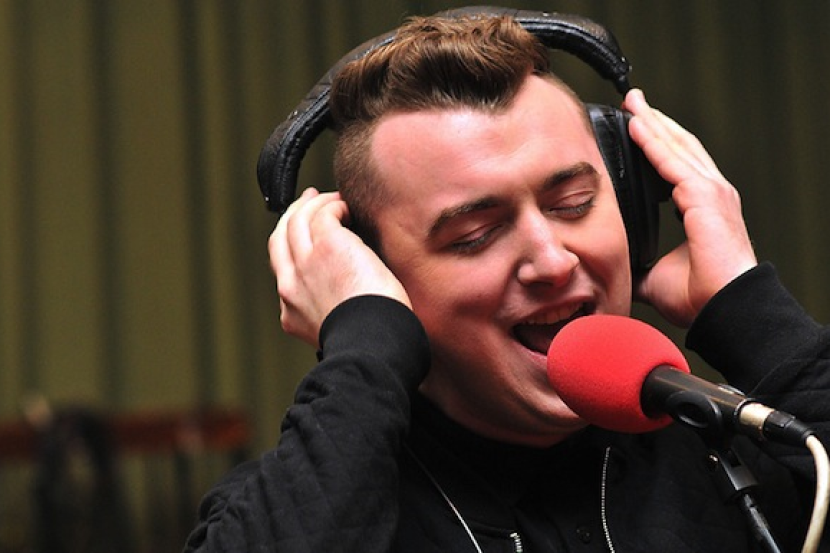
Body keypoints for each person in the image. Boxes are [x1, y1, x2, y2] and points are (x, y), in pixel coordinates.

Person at [184, 12, 830, 553]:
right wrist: (364, 349)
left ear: (631, 208)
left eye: (574, 203)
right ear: (377, 273)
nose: (552, 260)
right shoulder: (296, 506)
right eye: (474, 234)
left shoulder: (741, 458)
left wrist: (747, 307)